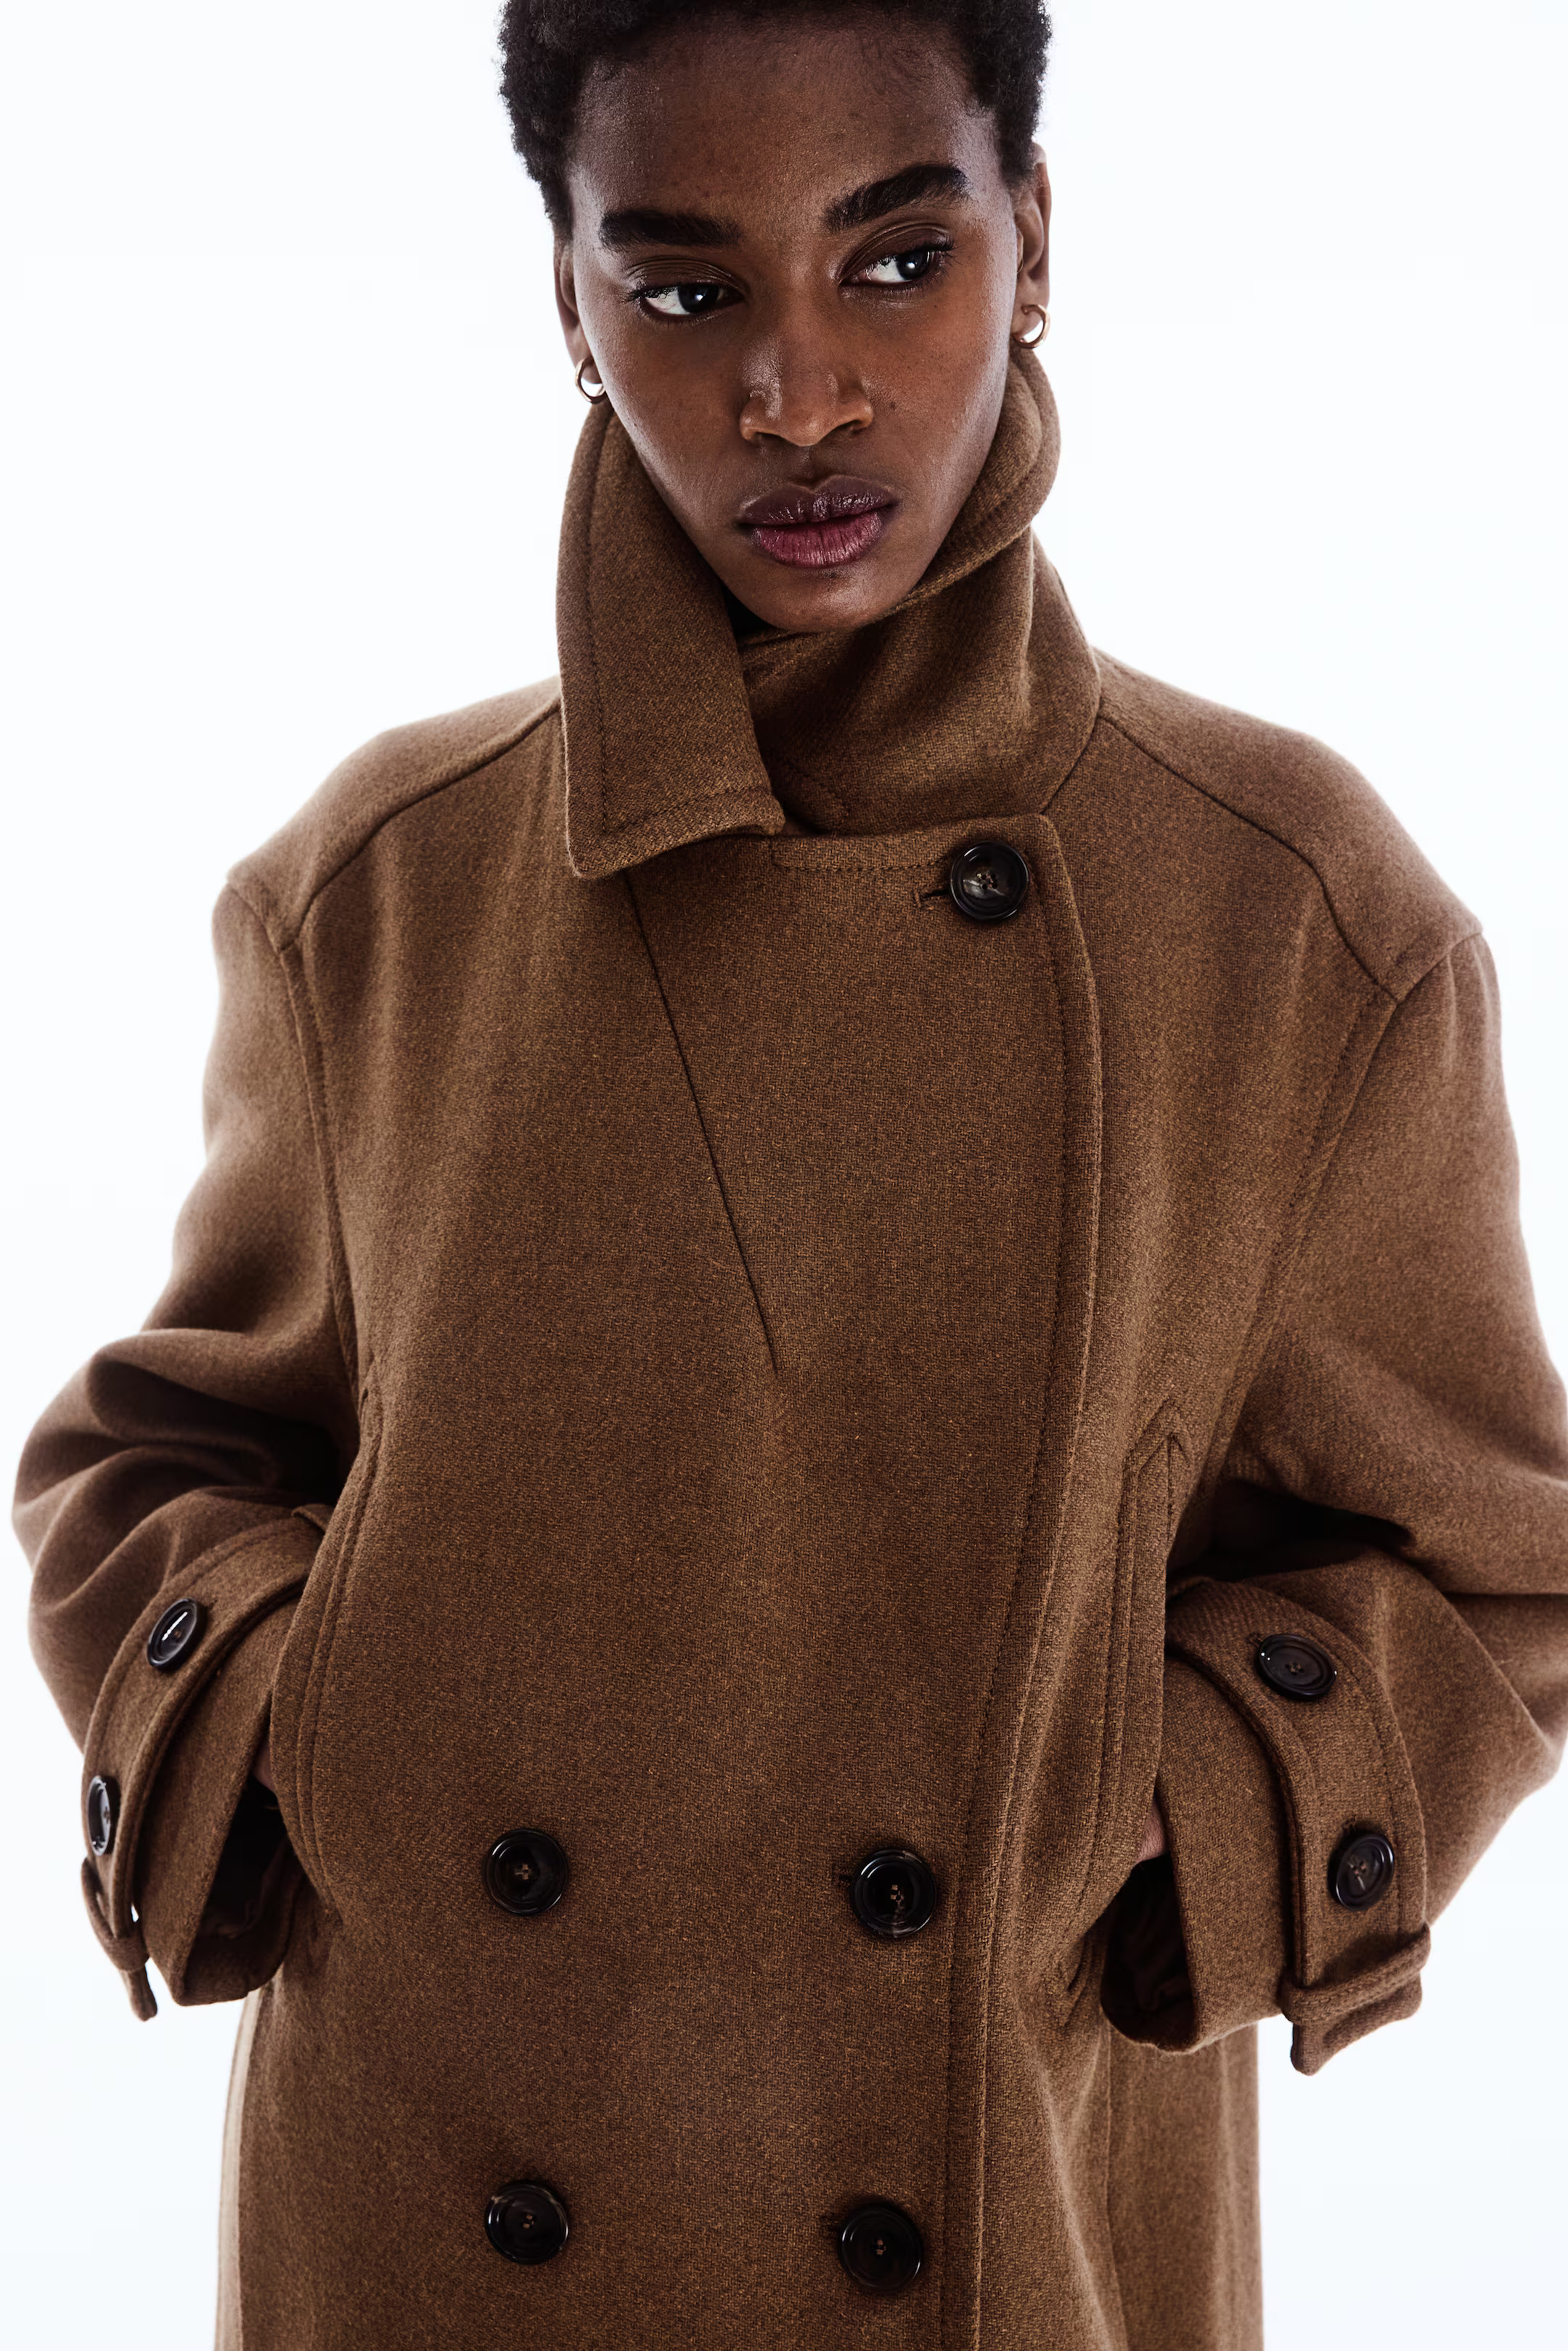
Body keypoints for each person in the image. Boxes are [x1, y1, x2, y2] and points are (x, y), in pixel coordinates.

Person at [15, 3, 1568, 2345]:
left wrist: (1156, 1809)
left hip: (999, 2187)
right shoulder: (377, 892)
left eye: (896, 260)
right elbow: (160, 1450)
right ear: (569, 304)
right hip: (435, 2195)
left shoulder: (1290, 915)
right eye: (684, 286)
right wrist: (295, 1733)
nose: (799, 394)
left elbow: (1492, 1566)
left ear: (1033, 241)